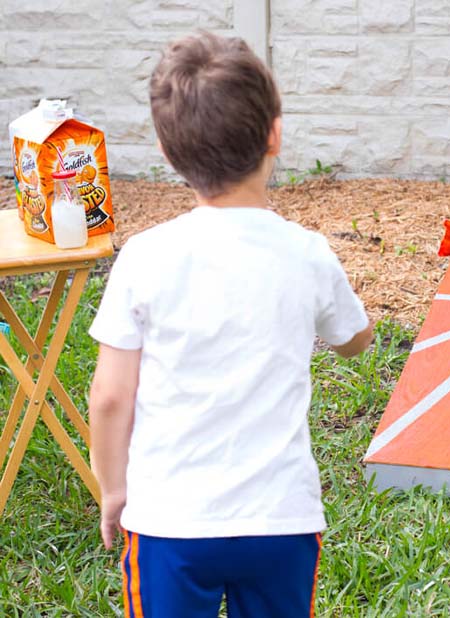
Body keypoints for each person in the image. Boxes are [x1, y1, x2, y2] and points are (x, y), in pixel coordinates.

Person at [88, 31, 373, 617]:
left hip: (168, 524)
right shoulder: (309, 252)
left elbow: (111, 397)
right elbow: (355, 341)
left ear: (168, 154)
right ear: (274, 134)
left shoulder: (143, 256)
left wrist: (113, 489)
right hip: (281, 522)